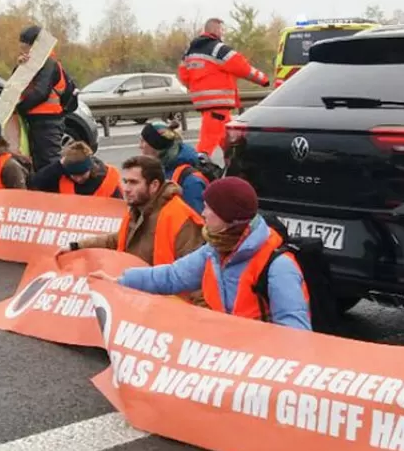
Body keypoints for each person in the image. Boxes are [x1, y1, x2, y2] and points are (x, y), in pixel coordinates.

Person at [98, 177, 311, 331]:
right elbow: (173, 277)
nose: (203, 213)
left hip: (258, 364)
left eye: (209, 208)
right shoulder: (214, 249)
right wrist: (120, 281)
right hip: (226, 352)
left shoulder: (278, 267)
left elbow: (294, 333)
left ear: (228, 217)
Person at [68, 154, 204, 276]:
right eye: (125, 182)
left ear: (154, 185)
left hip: (166, 300)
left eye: (133, 182)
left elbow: (196, 273)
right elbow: (120, 238)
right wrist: (76, 246)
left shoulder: (179, 217)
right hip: (141, 296)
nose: (126, 189)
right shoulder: (138, 209)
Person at [177, 18, 271, 158]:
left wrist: (198, 88)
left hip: (205, 103)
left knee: (228, 140)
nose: (223, 33)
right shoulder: (218, 49)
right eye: (222, 30)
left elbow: (183, 75)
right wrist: (263, 80)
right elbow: (242, 67)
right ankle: (198, 168)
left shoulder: (190, 52)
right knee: (208, 142)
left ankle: (236, 165)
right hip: (218, 103)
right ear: (215, 30)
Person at [15, 25, 73, 172]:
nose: (24, 52)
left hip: (48, 121)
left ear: (35, 46)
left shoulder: (49, 64)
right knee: (39, 164)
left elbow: (41, 92)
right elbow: (16, 84)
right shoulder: (33, 64)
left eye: (26, 48)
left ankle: (54, 193)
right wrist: (20, 67)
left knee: (49, 163)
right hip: (37, 120)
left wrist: (19, 108)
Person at [137, 120, 208, 213]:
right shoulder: (162, 167)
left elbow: (196, 220)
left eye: (143, 141)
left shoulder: (190, 181)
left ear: (156, 146)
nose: (139, 146)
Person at [30, 141, 121, 198]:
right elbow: (35, 182)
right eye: (73, 175)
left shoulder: (107, 179)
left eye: (82, 174)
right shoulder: (61, 175)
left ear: (90, 168)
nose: (78, 179)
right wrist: (59, 164)